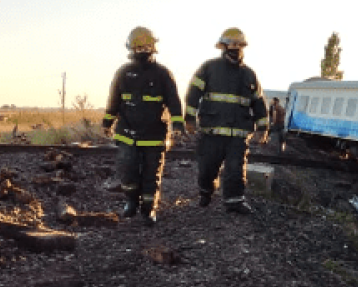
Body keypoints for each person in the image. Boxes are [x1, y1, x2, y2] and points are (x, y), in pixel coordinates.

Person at [102, 26, 184, 226]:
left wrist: (178, 124)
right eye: (138, 46)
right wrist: (107, 122)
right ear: (131, 48)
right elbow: (114, 99)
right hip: (127, 133)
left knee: (151, 173)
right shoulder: (123, 72)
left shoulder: (163, 74)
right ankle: (131, 201)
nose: (142, 50)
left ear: (153, 47)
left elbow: (174, 101)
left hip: (154, 133)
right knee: (127, 169)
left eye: (146, 45)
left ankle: (149, 210)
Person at [184, 27, 268, 214]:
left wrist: (263, 128)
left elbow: (259, 102)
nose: (235, 48)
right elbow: (193, 93)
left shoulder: (249, 74)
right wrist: (189, 118)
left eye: (239, 44)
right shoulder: (209, 68)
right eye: (232, 44)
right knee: (207, 170)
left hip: (238, 134)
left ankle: (234, 201)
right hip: (211, 132)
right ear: (223, 46)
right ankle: (205, 192)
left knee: (235, 169)